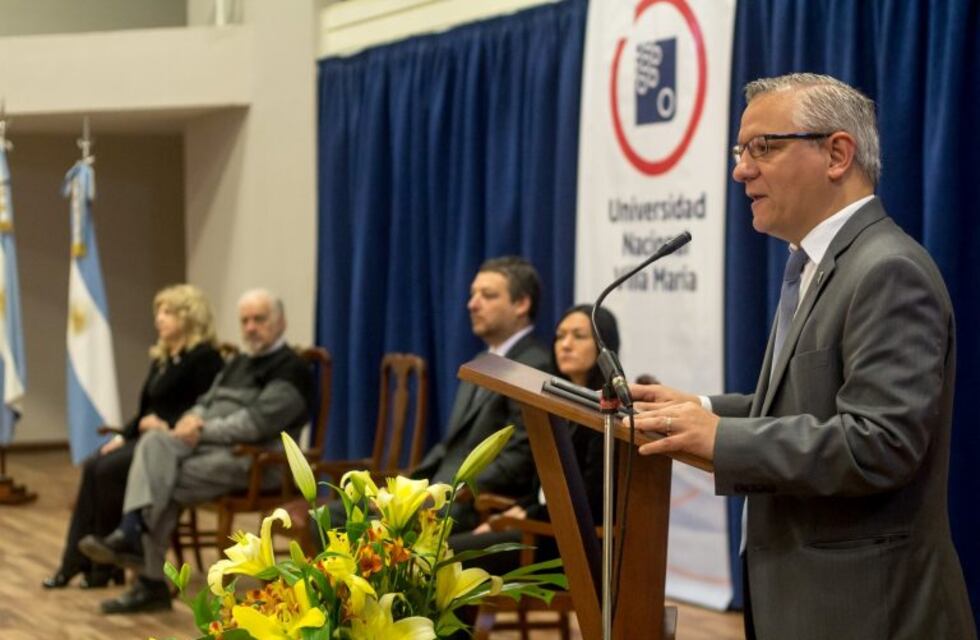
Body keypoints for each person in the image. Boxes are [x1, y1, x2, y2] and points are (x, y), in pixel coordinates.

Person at [629, 73, 975, 639]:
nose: (741, 169)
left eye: (762, 147)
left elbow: (880, 444)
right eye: (740, 152)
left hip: (871, 611)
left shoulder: (888, 269)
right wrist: (691, 408)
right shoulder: (814, 265)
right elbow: (806, 406)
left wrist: (719, 439)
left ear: (837, 153)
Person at [79, 288, 314, 614]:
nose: (250, 328)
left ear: (281, 322)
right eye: (244, 320)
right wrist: (191, 419)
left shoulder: (293, 370)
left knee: (162, 478)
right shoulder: (239, 362)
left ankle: (144, 565)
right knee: (154, 443)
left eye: (259, 319)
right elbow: (207, 402)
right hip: (210, 454)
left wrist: (200, 430)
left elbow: (255, 424)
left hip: (258, 462)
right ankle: (134, 542)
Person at [43, 284, 223, 590]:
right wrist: (124, 436)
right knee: (94, 465)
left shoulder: (206, 359)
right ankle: (77, 561)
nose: (159, 320)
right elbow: (144, 412)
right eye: (159, 313)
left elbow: (202, 410)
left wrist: (162, 425)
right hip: (144, 438)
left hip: (171, 445)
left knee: (110, 471)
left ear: (189, 317)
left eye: (168, 312)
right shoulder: (163, 358)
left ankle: (102, 566)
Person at [450, 304, 621, 574]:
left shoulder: (610, 415)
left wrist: (527, 517)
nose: (565, 345)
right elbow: (545, 488)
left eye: (578, 336)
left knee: (445, 559)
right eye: (560, 336)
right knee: (442, 551)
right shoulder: (561, 407)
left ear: (605, 347)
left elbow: (592, 503)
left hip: (567, 546)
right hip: (543, 529)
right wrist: (518, 510)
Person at [411, 256, 552, 531]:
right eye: (473, 295)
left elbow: (519, 458)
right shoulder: (481, 360)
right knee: (339, 515)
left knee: (364, 530)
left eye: (487, 296)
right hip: (442, 494)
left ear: (521, 304)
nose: (472, 304)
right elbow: (450, 445)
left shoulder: (534, 365)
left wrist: (449, 491)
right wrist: (410, 487)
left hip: (471, 505)